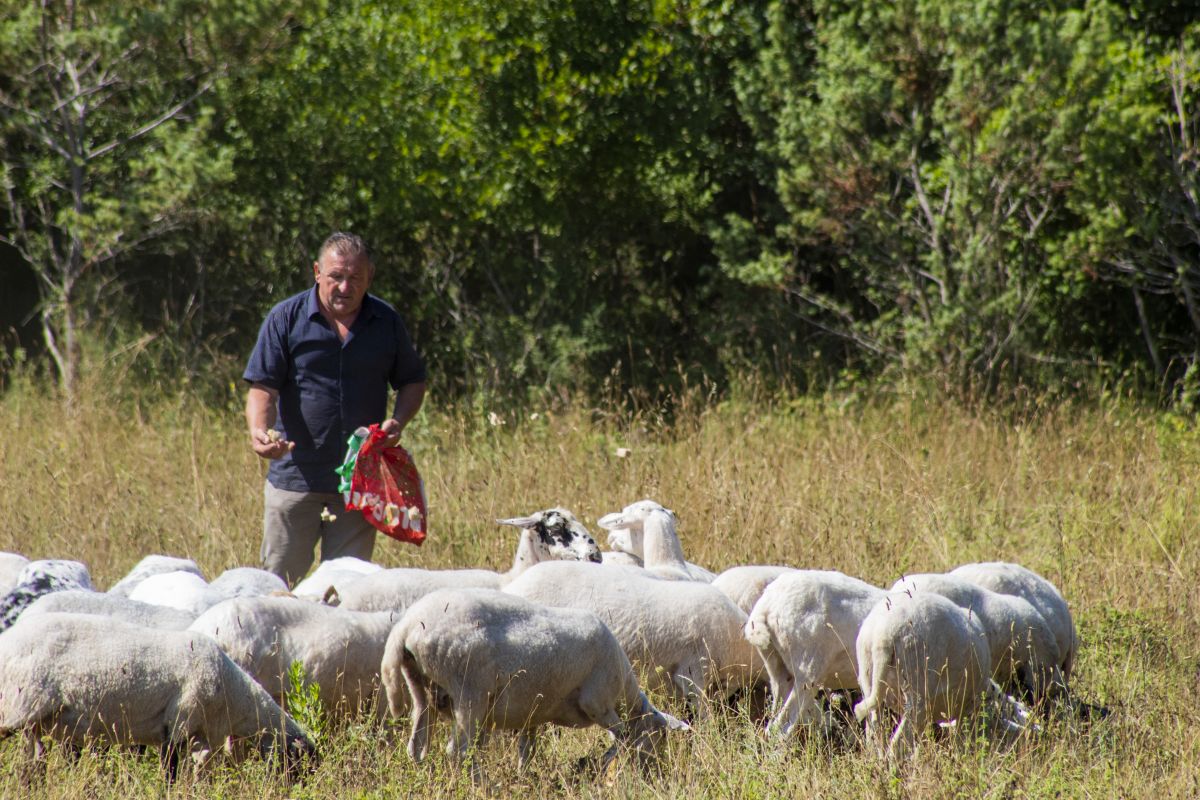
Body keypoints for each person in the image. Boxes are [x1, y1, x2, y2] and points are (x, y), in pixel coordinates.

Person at [243, 232, 426, 585]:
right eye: (336, 276)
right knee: (279, 588)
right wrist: (259, 432)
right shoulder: (286, 318)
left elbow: (412, 380)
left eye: (355, 277)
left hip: (357, 482)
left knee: (346, 589)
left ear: (370, 276)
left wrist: (399, 420)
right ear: (317, 272)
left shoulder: (386, 321)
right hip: (295, 478)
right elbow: (263, 387)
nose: (345, 287)